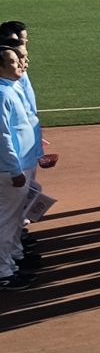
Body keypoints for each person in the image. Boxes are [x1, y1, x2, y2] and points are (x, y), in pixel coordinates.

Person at [0, 42, 41, 289]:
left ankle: (11, 264)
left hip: (18, 165)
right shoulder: (3, 94)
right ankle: (4, 272)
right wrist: (15, 170)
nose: (20, 66)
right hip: (9, 170)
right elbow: (3, 137)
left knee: (12, 220)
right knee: (7, 221)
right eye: (14, 62)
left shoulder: (10, 88)